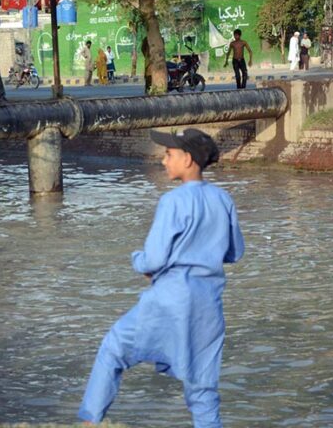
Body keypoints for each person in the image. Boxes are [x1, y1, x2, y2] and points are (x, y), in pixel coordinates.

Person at [78, 128, 245, 427]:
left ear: (189, 159)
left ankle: (89, 422)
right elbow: (234, 253)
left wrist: (137, 260)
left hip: (171, 298)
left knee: (113, 349)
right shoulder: (223, 199)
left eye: (169, 155)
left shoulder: (173, 201)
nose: (164, 161)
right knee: (202, 388)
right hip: (208, 306)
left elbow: (154, 259)